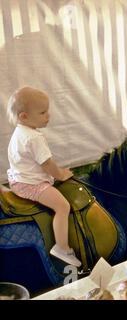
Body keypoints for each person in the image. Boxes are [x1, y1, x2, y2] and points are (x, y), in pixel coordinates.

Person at [6, 86, 81, 267]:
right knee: (63, 206)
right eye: (42, 112)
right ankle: (61, 248)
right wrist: (61, 174)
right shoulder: (34, 138)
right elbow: (47, 165)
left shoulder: (20, 132)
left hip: (17, 179)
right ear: (24, 116)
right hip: (31, 184)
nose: (48, 116)